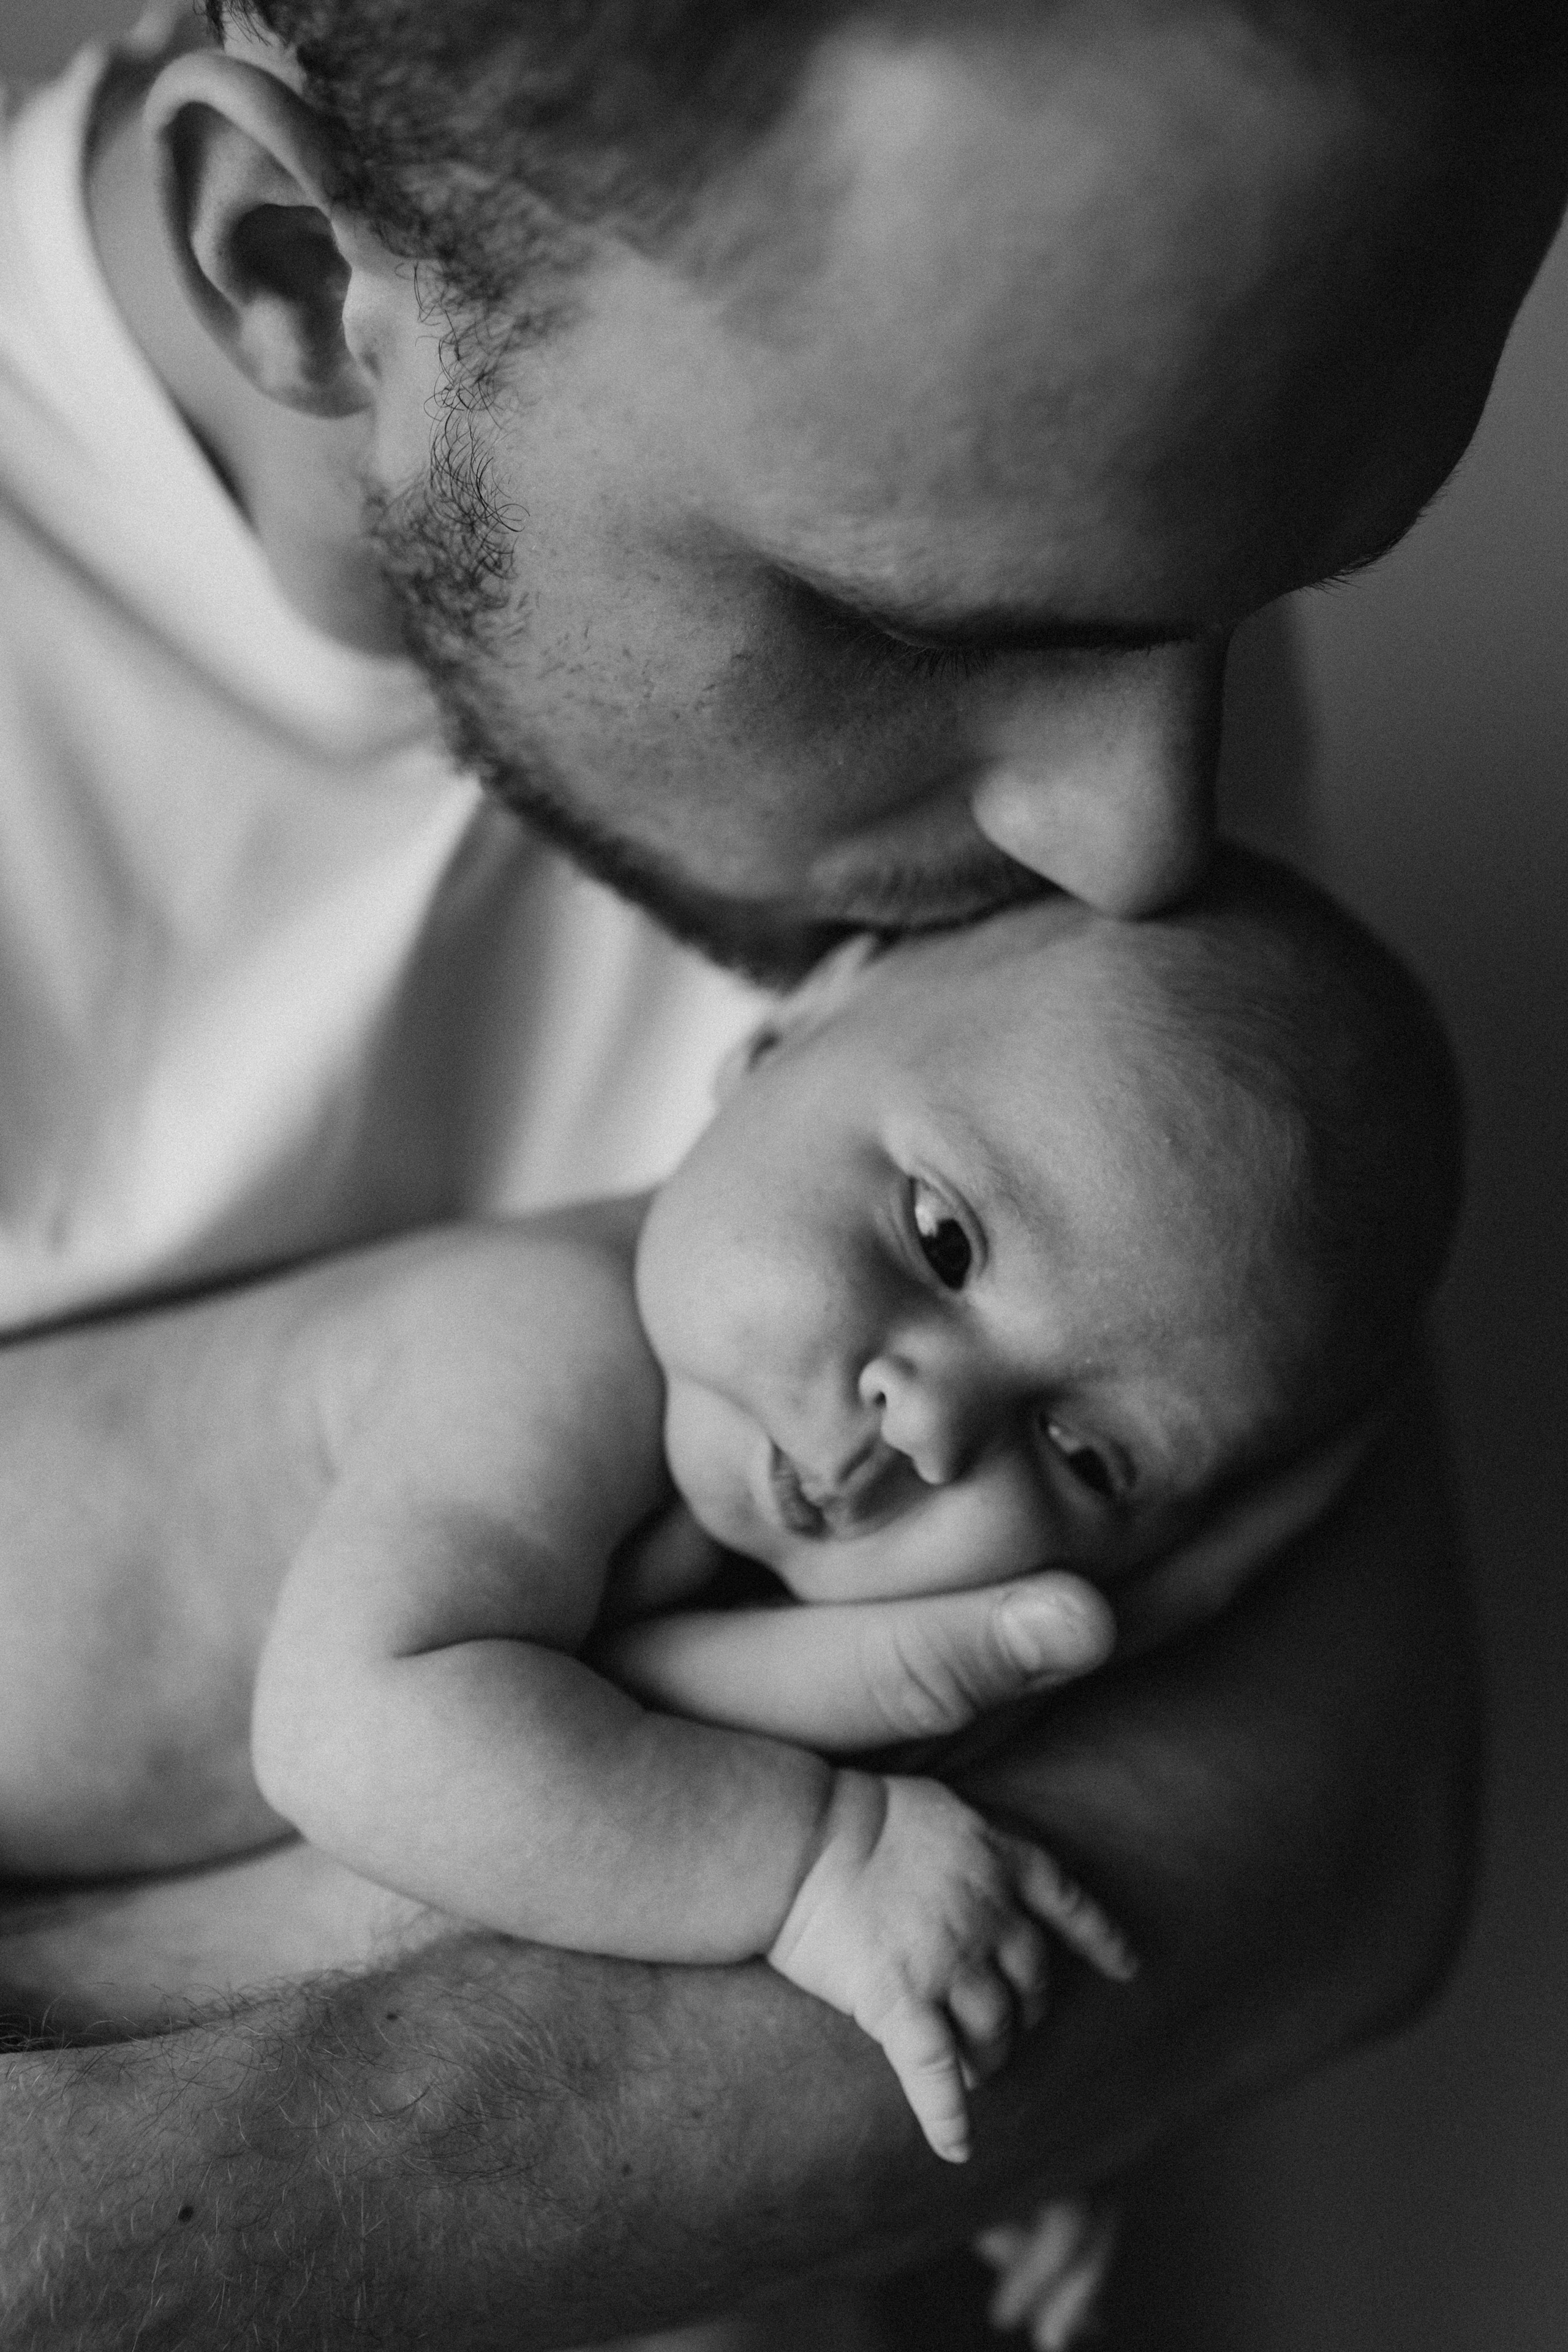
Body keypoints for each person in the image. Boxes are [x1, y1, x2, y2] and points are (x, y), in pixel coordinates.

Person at [0, 0, 1560, 2343]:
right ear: (302, 278)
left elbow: (1334, 1831)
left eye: (1241, 610)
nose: (1145, 836)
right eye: (938, 626)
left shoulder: (1067, 461)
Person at [241, 853, 1459, 2171]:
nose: (932, 1429)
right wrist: (814, 1862)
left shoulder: (745, 1552)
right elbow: (345, 1734)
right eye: (941, 1237)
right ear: (774, 1042)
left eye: (1084, 1456)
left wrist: (973, 2016)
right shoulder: (544, 1338)